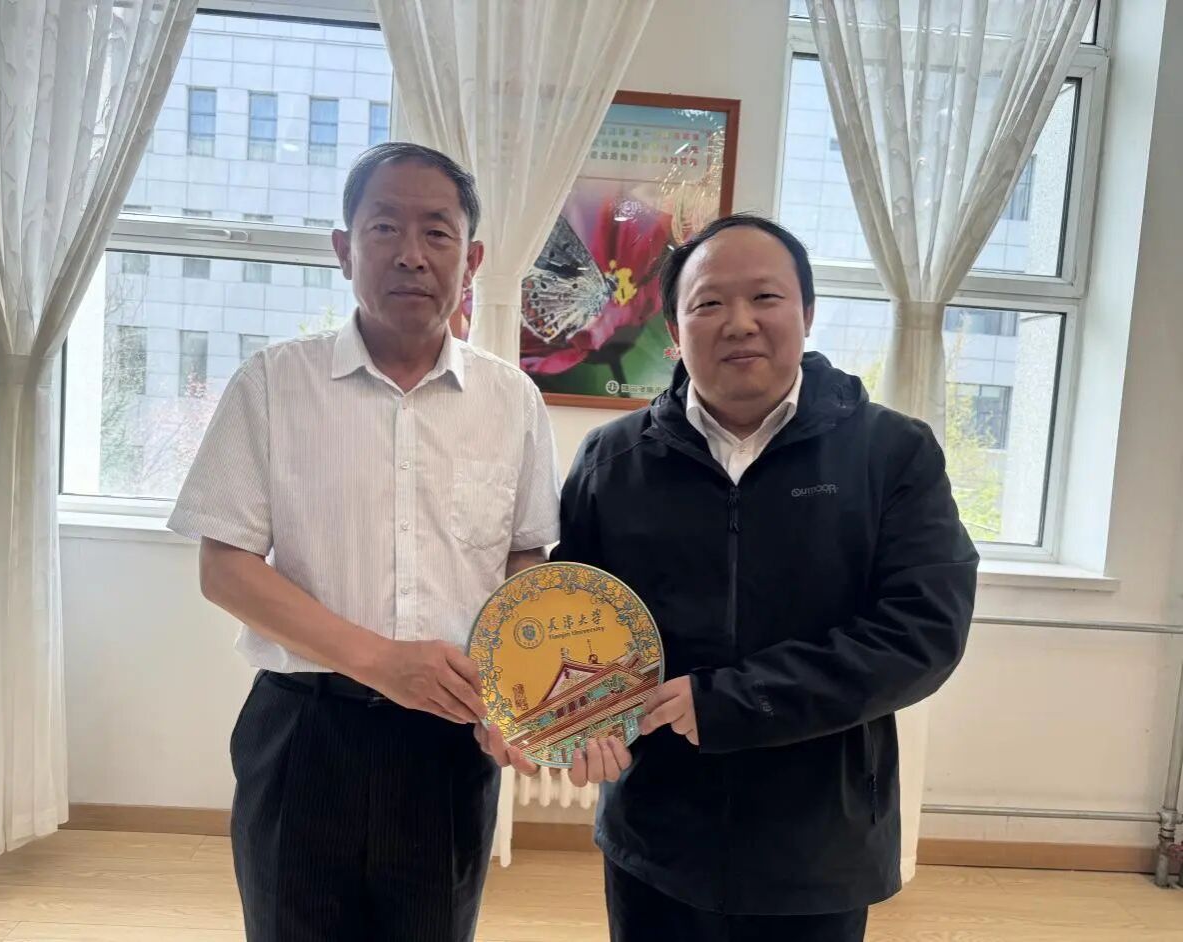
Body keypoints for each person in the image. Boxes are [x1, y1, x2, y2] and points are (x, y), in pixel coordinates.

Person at [167, 142, 559, 942]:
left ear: (472, 260)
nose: (411, 254)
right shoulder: (275, 383)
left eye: (437, 232)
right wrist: (381, 660)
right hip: (305, 732)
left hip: (449, 740)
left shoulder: (512, 400)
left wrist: (513, 695)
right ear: (344, 249)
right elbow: (225, 567)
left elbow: (524, 560)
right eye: (384, 227)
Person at [554, 213, 979, 941]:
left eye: (766, 297)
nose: (740, 322)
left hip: (820, 843)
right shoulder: (611, 462)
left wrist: (728, 703)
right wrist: (573, 724)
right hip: (658, 837)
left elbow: (922, 634)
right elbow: (575, 619)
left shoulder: (891, 454)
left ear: (807, 313)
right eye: (709, 303)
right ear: (674, 330)